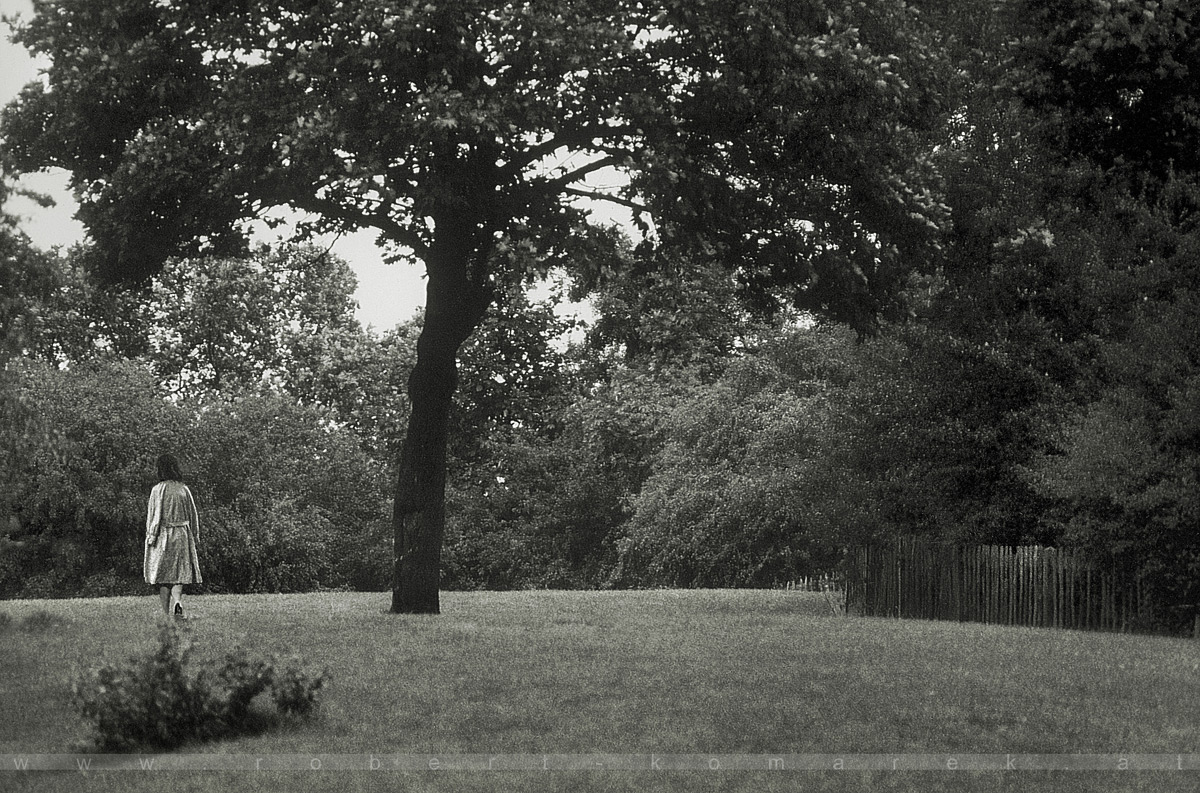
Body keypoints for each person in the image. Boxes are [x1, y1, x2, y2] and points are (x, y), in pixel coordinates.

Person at [144, 453, 202, 619]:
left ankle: (165, 612)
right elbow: (193, 515)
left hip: (163, 535)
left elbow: (153, 516)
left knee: (163, 577)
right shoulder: (184, 489)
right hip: (182, 534)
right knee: (179, 574)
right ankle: (178, 602)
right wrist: (195, 535)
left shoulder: (157, 490)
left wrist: (151, 536)